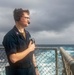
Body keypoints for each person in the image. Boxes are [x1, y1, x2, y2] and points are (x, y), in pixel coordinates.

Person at [2, 8, 39, 75]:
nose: (28, 20)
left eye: (29, 18)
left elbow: (31, 54)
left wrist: (36, 68)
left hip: (31, 71)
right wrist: (29, 49)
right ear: (18, 18)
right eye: (26, 18)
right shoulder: (10, 36)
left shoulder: (27, 34)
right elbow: (13, 58)